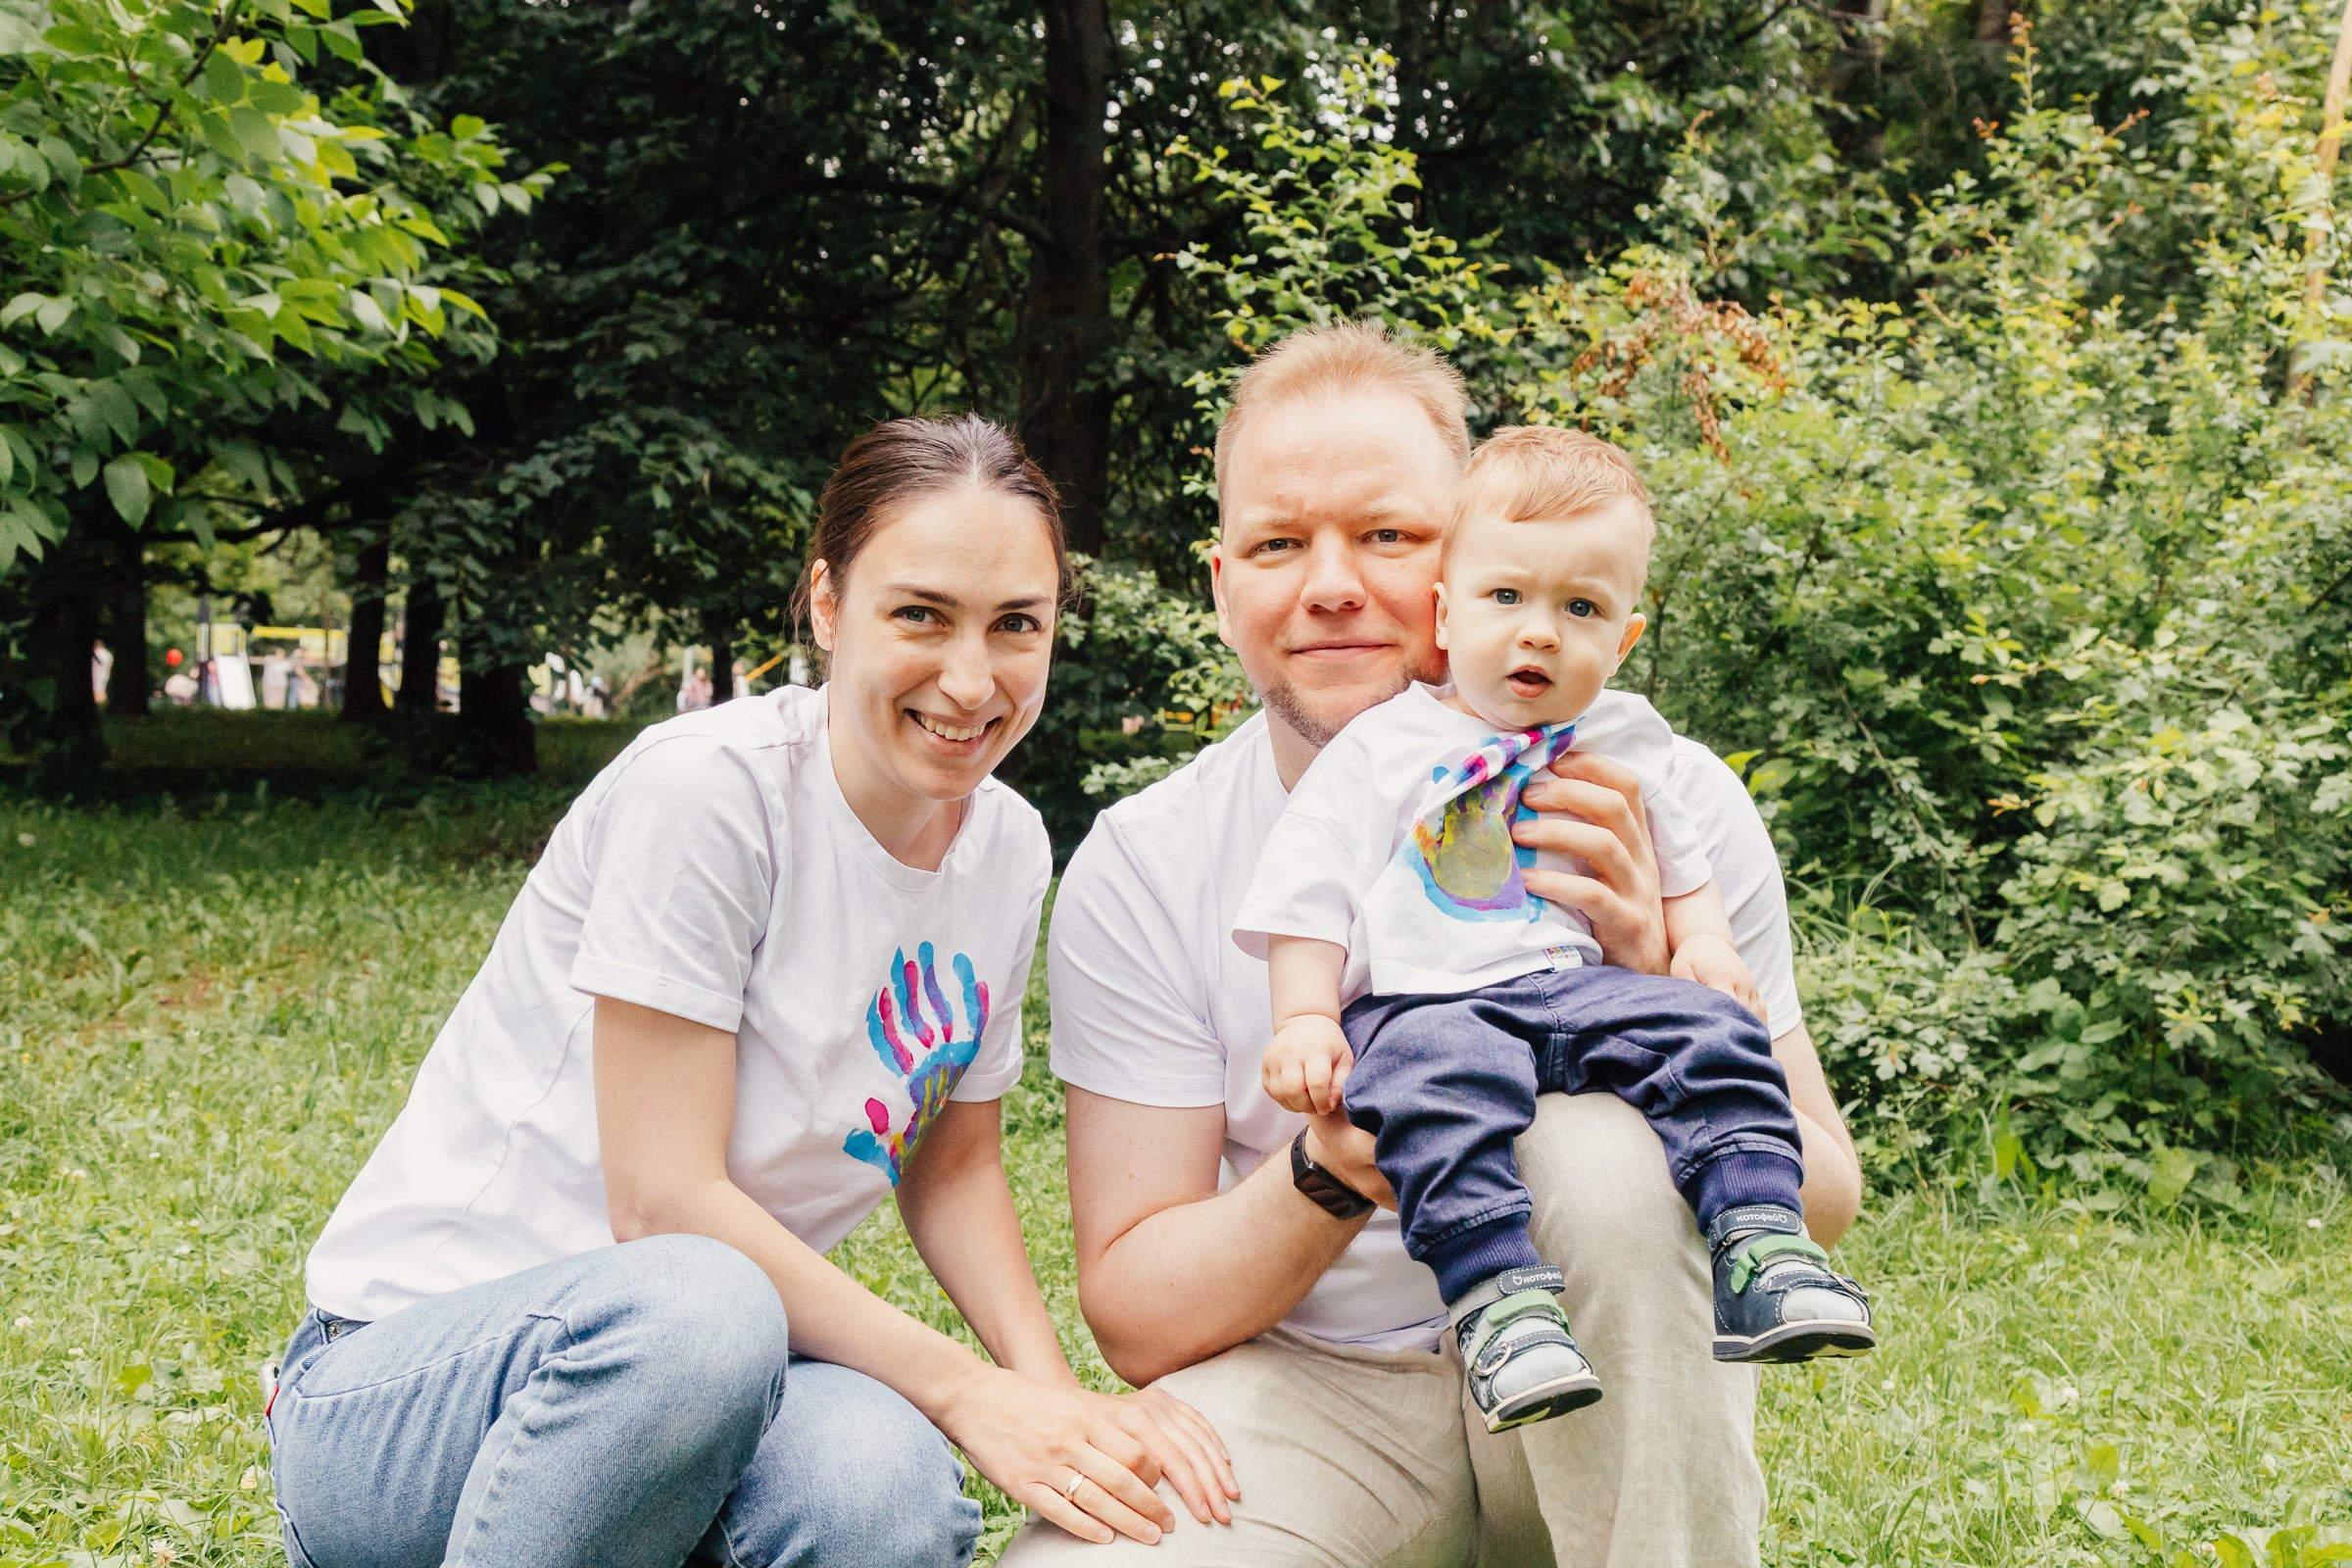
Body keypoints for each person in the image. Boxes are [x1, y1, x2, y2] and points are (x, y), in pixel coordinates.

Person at [266, 415, 1236, 1568]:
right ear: (827, 605)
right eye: (919, 614)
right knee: (702, 1304)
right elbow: (663, 1202)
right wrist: (969, 1393)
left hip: (707, 1380)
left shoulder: (1009, 847)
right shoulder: (709, 794)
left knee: (885, 1489)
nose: (971, 680)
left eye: (1015, 624)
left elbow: (956, 1158)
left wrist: (1056, 1400)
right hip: (402, 1392)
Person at [1002, 322, 1864, 1567]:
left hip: (1598, 1394)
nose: (1332, 584)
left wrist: (1645, 982)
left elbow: (1821, 1196)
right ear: (1221, 581)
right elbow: (1137, 1317)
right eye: (1278, 543)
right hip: (1316, 1394)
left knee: (1603, 1154)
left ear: (1457, 565)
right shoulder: (1150, 858)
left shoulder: (1656, 799)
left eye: (1388, 535)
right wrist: (1338, 1156)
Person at [1237, 426, 1873, 1437]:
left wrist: (1696, 948)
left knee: (1712, 1037)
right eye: (1507, 599)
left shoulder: (1629, 741)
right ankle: (1501, 1301)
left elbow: (1681, 868)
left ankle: (1761, 1238)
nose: (1538, 633)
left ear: (1623, 637)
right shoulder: (1385, 747)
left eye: (1579, 609)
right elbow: (1308, 896)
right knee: (1432, 1099)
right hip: (1433, 1002)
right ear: (1445, 615)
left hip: (1587, 991)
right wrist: (1306, 1018)